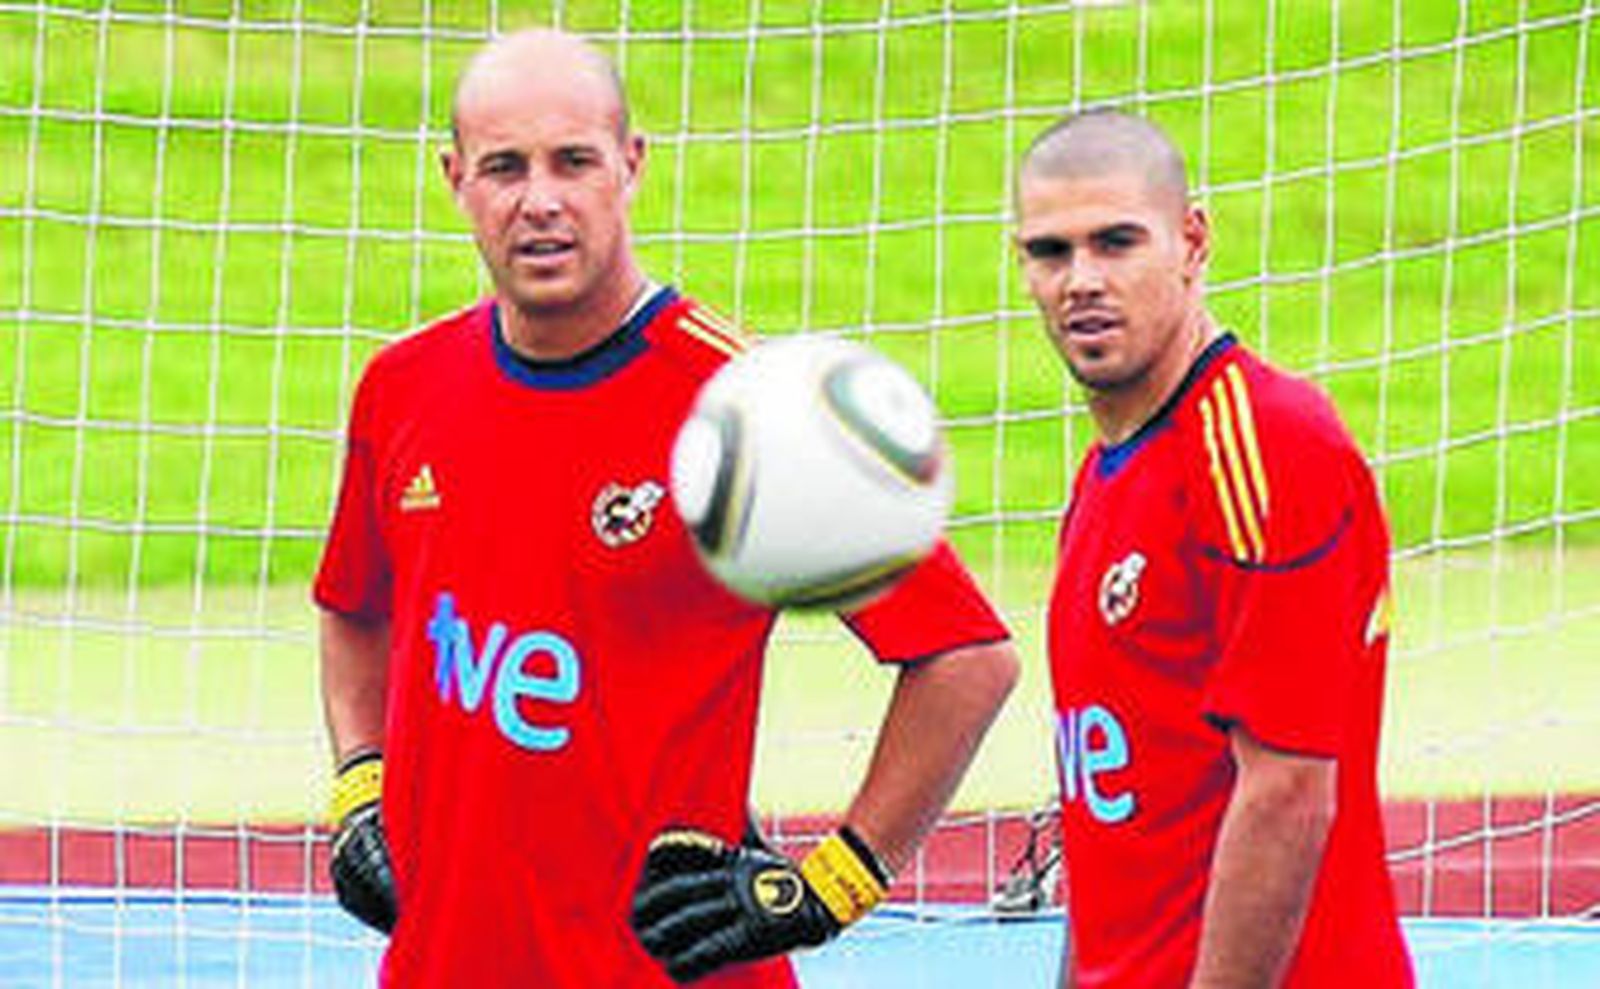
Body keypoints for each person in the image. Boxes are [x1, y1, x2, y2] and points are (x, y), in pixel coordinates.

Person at [314, 28, 1019, 988]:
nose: (541, 201)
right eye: (504, 168)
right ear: (454, 180)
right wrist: (363, 784)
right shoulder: (403, 386)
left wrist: (833, 883)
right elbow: (355, 604)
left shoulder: (753, 410)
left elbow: (966, 659)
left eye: (575, 161)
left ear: (631, 167)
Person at [1013, 109, 1414, 988]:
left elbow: (1288, 791)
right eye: (1050, 252)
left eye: (1116, 242)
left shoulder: (1266, 445)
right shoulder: (1106, 475)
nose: (1081, 280)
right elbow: (1112, 825)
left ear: (1192, 241)